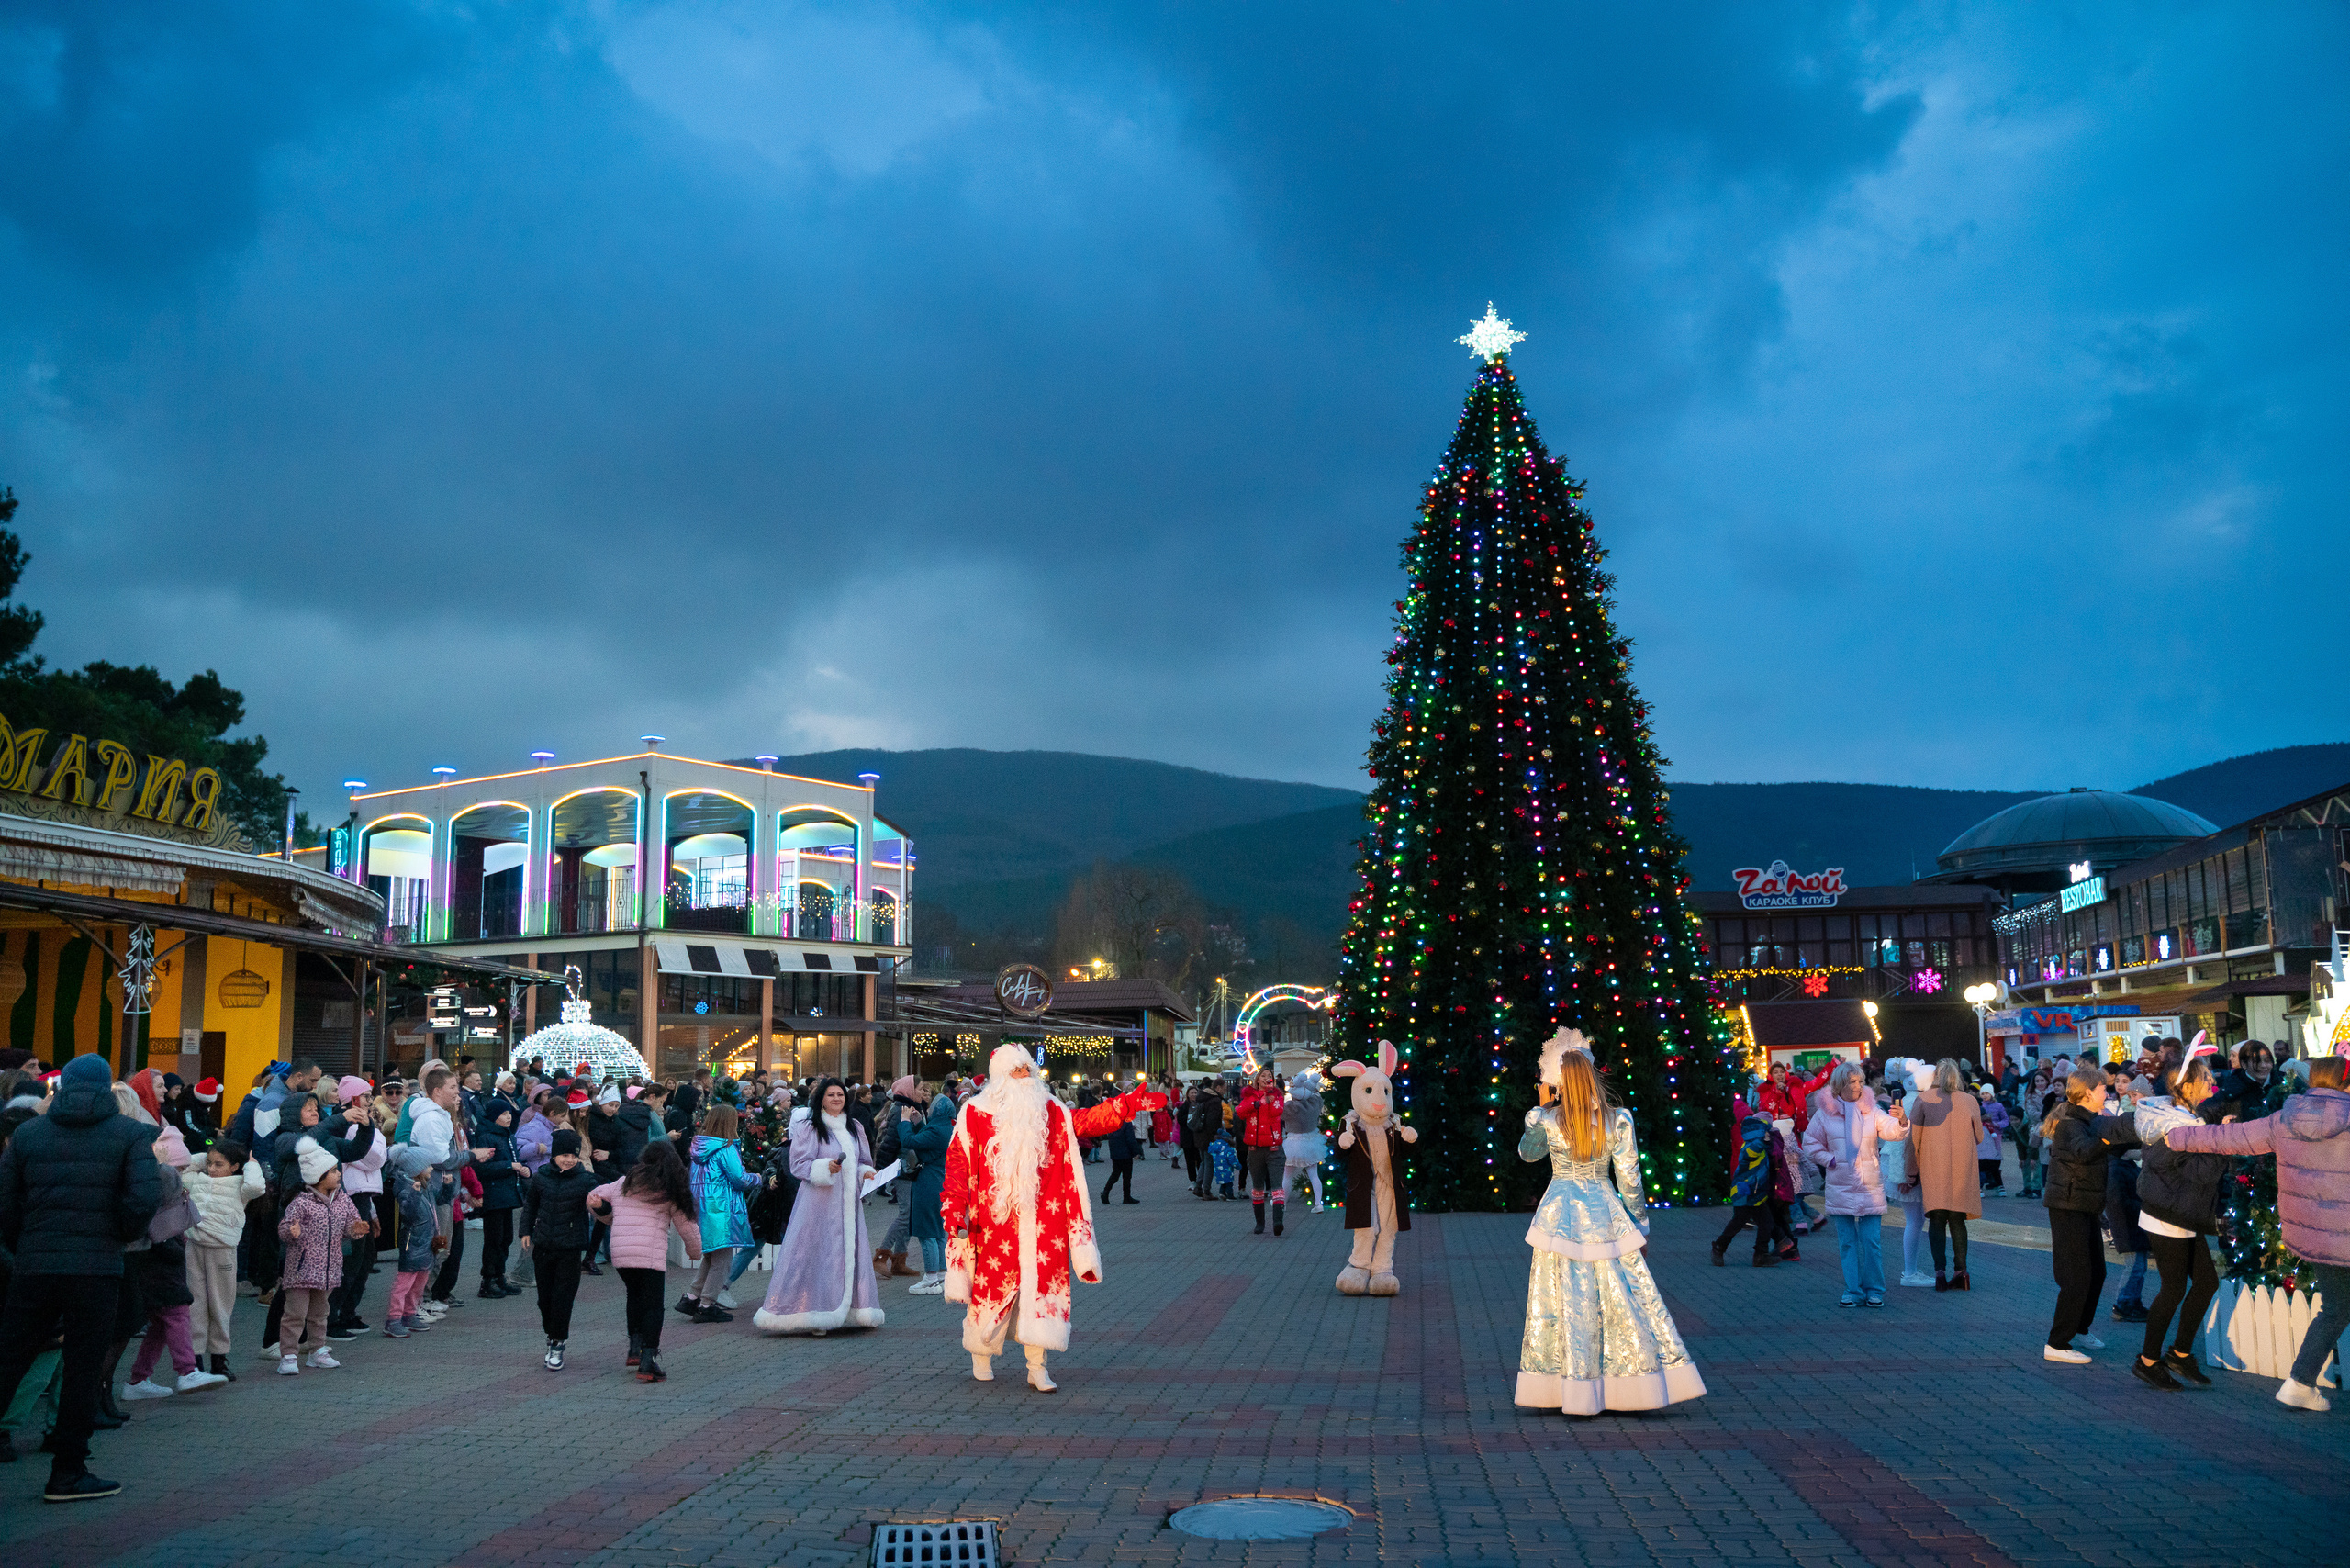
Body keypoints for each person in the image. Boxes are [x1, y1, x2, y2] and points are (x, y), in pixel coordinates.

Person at [937, 1044, 1164, 1391]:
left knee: (1041, 1291)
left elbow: (1084, 1123)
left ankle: (1037, 1366)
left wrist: (1123, 1106)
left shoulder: (1051, 1110)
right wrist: (954, 1208)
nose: (1024, 1076)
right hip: (994, 1223)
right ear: (999, 1076)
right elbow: (957, 1164)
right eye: (1016, 1071)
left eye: (1027, 1069)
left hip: (1045, 1220)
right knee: (991, 1291)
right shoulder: (975, 1113)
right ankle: (980, 1354)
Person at [1516, 1030, 1705, 1414]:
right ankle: (1632, 1385)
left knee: (1561, 1300)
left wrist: (1538, 1110)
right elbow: (1630, 1178)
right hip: (1605, 1212)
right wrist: (1640, 1227)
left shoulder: (1546, 1119)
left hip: (1559, 1217)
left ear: (1558, 1081)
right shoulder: (1618, 1120)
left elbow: (1528, 1155)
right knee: (1622, 1298)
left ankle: (1567, 1388)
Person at [0, 1054, 162, 1501]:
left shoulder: (29, 1134)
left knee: (10, 1359)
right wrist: (118, 1235)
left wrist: (25, 1244)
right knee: (82, 1371)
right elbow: (142, 1200)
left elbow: (6, 1206)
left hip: (35, 1265)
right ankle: (67, 1473)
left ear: (63, 1086)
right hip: (96, 1267)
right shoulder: (131, 1134)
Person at [2161, 1052, 2349, 1411]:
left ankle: (2300, 1382)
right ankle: (2299, 1382)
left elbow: (2231, 1137)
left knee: (2337, 1309)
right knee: (2338, 1309)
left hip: (2319, 1237)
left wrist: (2177, 1137)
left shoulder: (2285, 1119)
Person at [2126, 1051, 2226, 1392]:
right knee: (2174, 1288)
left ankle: (2180, 1353)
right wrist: (2222, 1145)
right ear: (2187, 1086)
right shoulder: (2176, 1125)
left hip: (2181, 1212)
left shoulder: (2182, 1117)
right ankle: (2148, 1361)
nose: (2212, 1082)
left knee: (2206, 1282)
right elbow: (2199, 1173)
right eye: (2205, 1078)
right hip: (2167, 1214)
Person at [755, 1079, 886, 1335]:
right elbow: (799, 1165)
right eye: (831, 1095)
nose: (837, 1099)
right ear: (821, 1099)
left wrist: (867, 1174)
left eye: (840, 1095)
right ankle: (814, 1312)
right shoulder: (810, 1127)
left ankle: (851, 1309)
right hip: (818, 1204)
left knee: (848, 1253)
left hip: (848, 1206)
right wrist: (825, 1167)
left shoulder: (855, 1127)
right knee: (818, 1254)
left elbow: (863, 1161)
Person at [2042, 1067, 2138, 1365]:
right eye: (2102, 1089)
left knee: (2097, 1273)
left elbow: (2112, 1136)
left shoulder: (2092, 1120)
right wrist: (2111, 1141)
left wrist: (2142, 1128)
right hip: (2068, 1206)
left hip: (2084, 1206)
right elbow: (2086, 1151)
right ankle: (2057, 1342)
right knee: (2077, 1276)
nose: (2106, 1094)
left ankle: (2079, 1329)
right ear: (2087, 1093)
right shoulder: (2070, 1124)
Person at [588, 1140, 702, 1382]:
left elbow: (594, 1196)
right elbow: (687, 1227)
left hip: (621, 1255)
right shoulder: (668, 1188)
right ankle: (648, 1362)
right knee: (653, 1306)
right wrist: (695, 1252)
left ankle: (634, 1348)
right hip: (649, 1256)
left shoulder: (624, 1182)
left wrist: (606, 1214)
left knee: (634, 1296)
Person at [1801, 1061, 1909, 1307]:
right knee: (1847, 1243)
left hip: (1869, 1186)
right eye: (1853, 1081)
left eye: (1861, 1081)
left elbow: (1891, 1130)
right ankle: (1853, 1290)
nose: (1859, 1085)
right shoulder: (1825, 1113)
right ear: (1840, 1084)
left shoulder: (1871, 1109)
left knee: (1872, 1242)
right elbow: (1810, 1143)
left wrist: (1902, 1122)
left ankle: (1875, 1290)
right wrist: (1830, 1160)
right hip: (1840, 1185)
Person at [274, 1146, 364, 1375]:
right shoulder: (302, 1202)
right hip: (301, 1270)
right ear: (318, 1178)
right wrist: (290, 1231)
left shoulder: (343, 1200)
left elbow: (351, 1225)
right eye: (333, 1171)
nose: (339, 1174)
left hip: (328, 1269)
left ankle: (318, 1351)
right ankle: (289, 1355)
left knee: (320, 1313)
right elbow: (284, 1228)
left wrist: (357, 1229)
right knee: (294, 1314)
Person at [181, 1138, 261, 1382]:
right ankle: (194, 1361)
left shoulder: (241, 1186)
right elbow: (183, 1169)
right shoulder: (197, 1180)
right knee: (195, 1303)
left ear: (235, 1167)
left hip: (223, 1249)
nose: (212, 1169)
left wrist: (251, 1164)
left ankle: (219, 1358)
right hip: (194, 1246)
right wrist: (203, 1157)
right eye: (210, 1164)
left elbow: (257, 1187)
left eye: (219, 1164)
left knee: (221, 1304)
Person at [520, 1129, 599, 1369]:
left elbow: (602, 1199)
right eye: (564, 1154)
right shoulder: (541, 1176)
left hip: (570, 1247)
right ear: (554, 1155)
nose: (569, 1160)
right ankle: (551, 1333)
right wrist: (525, 1231)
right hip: (543, 1245)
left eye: (573, 1156)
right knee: (545, 1299)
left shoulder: (585, 1180)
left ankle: (558, 1343)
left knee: (563, 1299)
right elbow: (530, 1206)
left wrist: (601, 1206)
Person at [1907, 1060, 1985, 1291]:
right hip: (1962, 1167)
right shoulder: (1970, 1100)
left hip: (1933, 1166)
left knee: (1937, 1218)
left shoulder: (1923, 1099)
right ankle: (1961, 1272)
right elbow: (1979, 1136)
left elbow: (1914, 1140)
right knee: (1958, 1219)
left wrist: (1911, 1172)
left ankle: (1939, 1273)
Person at [680, 1103, 762, 1321]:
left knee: (712, 1254)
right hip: (721, 1208)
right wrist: (759, 1178)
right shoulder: (726, 1148)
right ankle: (707, 1304)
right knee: (723, 1258)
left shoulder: (700, 1147)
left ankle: (691, 1297)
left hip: (704, 1206)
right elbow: (740, 1179)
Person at [1714, 1109, 1793, 1268]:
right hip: (1745, 1192)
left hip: (1757, 1193)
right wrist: (1762, 1140)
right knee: (1738, 1222)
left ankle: (1761, 1254)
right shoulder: (1749, 1147)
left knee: (1766, 1223)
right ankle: (1719, 1247)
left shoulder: (1761, 1147)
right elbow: (1752, 1153)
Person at [380, 1144, 441, 1338]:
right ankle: (393, 1319)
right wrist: (415, 1194)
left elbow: (437, 1201)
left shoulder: (425, 1185)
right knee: (404, 1282)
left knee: (420, 1281)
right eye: (427, 1165)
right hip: (412, 1243)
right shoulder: (407, 1188)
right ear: (415, 1169)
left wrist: (447, 1189)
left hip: (425, 1242)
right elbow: (408, 1213)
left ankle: (410, 1313)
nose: (431, 1168)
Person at [901, 1088, 956, 1294]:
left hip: (929, 1182)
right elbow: (929, 1142)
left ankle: (931, 1278)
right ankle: (942, 1274)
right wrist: (920, 1123)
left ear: (937, 1110)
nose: (929, 1109)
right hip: (942, 1180)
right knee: (939, 1231)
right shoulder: (948, 1126)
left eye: (932, 1107)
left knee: (927, 1233)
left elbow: (911, 1142)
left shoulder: (937, 1130)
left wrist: (905, 1122)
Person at [472, 1099, 527, 1298]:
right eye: (504, 1114)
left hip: (507, 1194)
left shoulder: (507, 1135)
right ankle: (488, 1280)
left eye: (510, 1113)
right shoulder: (486, 1136)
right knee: (493, 1240)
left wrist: (521, 1169)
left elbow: (515, 1160)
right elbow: (482, 1168)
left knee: (506, 1238)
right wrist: (509, 1167)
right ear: (494, 1116)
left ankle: (499, 1276)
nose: (508, 1117)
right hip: (494, 1195)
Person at [1235, 1068, 1286, 1236]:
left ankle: (1278, 1221)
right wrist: (1258, 1103)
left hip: (1274, 1148)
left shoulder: (1277, 1096)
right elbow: (1240, 1112)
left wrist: (1270, 1097)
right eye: (1263, 1076)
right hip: (1255, 1148)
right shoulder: (1249, 1096)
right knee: (1258, 1187)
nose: (1266, 1078)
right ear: (1257, 1080)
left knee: (1277, 1187)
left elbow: (1277, 1112)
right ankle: (1260, 1223)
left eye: (1269, 1076)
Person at [1977, 1087, 2009, 1195]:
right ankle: (1983, 1184)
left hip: (1995, 1135)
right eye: (1983, 1094)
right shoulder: (1980, 1105)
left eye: (1987, 1093)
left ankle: (1998, 1184)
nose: (1985, 1096)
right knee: (1981, 1162)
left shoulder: (1998, 1106)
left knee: (1995, 1161)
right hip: (1982, 1138)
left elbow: (2005, 1119)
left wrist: (1997, 1125)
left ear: (1992, 1094)